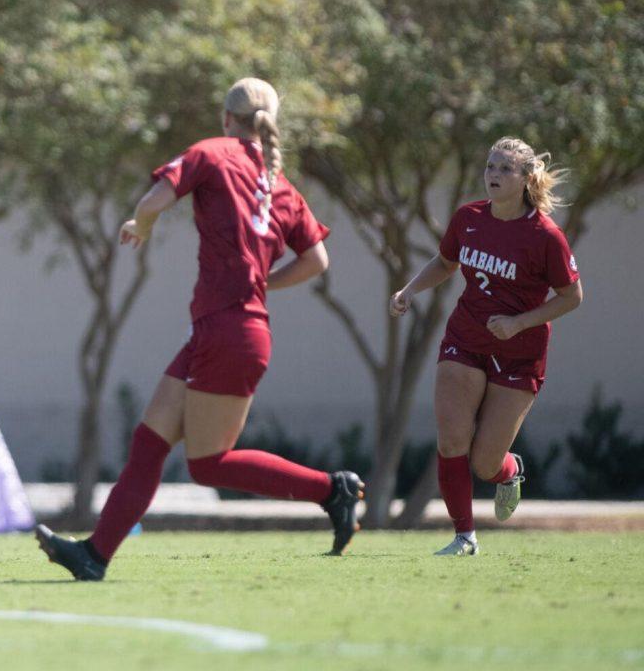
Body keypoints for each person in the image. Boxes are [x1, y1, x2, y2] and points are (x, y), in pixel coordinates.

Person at [35, 77, 365, 581]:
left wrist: (139, 227)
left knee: (209, 464)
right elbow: (317, 260)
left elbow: (150, 203)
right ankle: (93, 556)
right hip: (226, 329)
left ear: (225, 116)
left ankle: (331, 490)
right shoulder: (281, 186)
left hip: (229, 332)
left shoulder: (211, 152)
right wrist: (263, 284)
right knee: (150, 444)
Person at [390, 137, 582, 556]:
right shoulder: (469, 217)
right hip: (465, 339)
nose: (493, 175)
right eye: (490, 167)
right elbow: (445, 263)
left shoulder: (545, 236)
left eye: (504, 169)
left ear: (526, 178)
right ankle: (465, 537)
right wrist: (409, 290)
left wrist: (518, 323)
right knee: (451, 440)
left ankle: (510, 472)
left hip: (520, 352)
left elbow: (572, 297)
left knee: (485, 463)